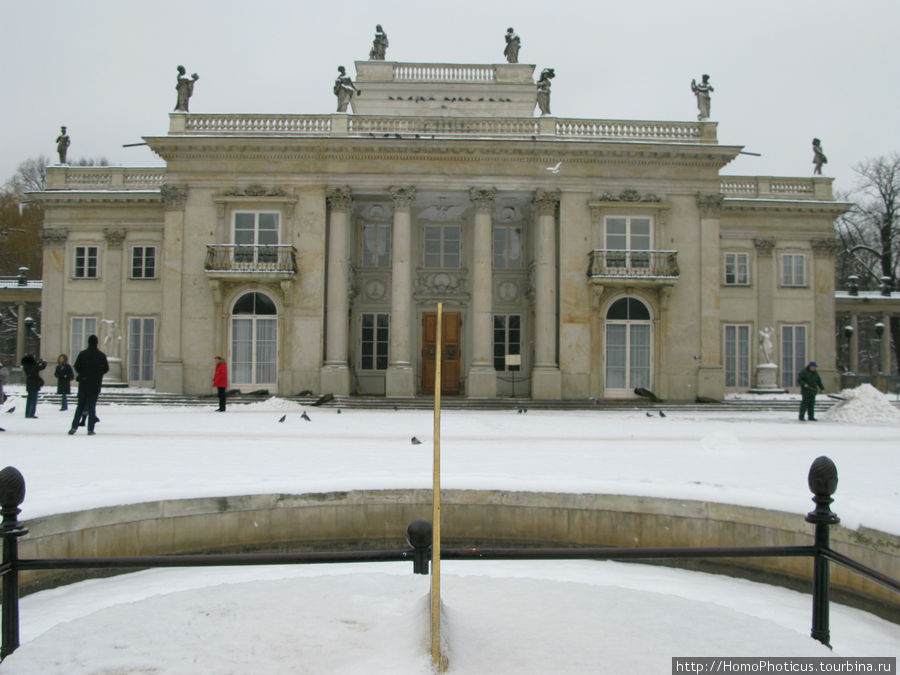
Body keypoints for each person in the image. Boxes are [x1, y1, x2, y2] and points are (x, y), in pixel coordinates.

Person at [69, 334, 109, 436]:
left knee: (80, 406)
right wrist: (97, 374)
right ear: (97, 343)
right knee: (92, 407)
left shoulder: (83, 354)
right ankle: (90, 429)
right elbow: (106, 369)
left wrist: (84, 374)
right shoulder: (101, 355)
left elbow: (77, 366)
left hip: (84, 383)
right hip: (95, 384)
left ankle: (74, 427)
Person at [21, 353, 47, 418]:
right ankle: (31, 414)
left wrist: (39, 362)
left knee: (29, 400)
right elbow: (41, 367)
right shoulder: (33, 366)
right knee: (33, 400)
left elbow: (35, 365)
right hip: (34, 384)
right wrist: (44, 362)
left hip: (29, 384)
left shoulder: (26, 366)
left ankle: (27, 414)